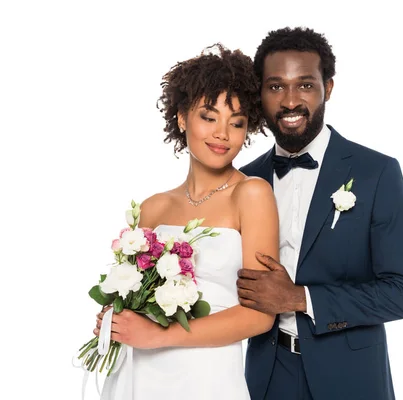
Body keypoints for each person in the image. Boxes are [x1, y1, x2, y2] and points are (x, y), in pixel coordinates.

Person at [237, 27, 403, 400]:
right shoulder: (244, 179)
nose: (290, 101)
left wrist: (300, 298)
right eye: (276, 87)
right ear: (259, 93)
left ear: (328, 88)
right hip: (266, 378)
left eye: (305, 85)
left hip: (351, 379)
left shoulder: (376, 172)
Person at [93, 44, 278, 400]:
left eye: (236, 123)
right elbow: (129, 293)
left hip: (206, 378)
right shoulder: (153, 207)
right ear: (181, 117)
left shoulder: (252, 194)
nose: (222, 133)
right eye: (209, 117)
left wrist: (158, 335)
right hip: (137, 374)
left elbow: (259, 318)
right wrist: (113, 318)